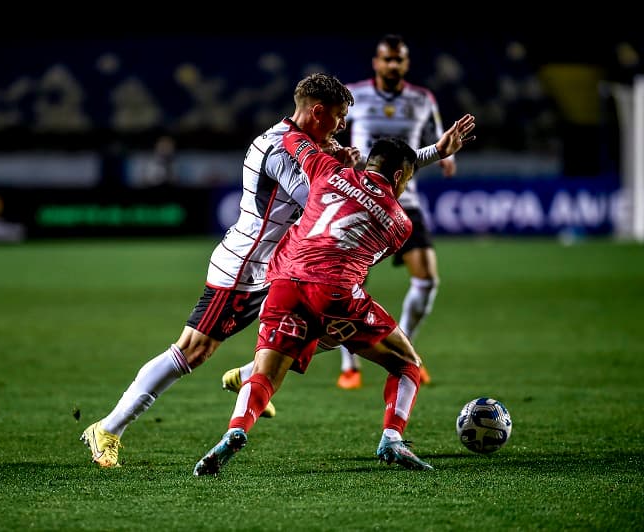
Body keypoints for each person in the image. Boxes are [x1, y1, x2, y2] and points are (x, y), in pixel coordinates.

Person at [79, 73, 359, 468]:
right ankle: (107, 428)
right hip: (245, 266)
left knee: (332, 325)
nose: (342, 126)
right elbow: (318, 200)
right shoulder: (279, 148)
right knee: (193, 350)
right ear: (317, 112)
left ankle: (250, 375)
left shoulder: (308, 144)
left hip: (280, 266)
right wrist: (342, 168)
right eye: (339, 116)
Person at [193, 115, 476, 477]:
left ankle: (234, 430)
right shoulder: (400, 223)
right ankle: (392, 438)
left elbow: (292, 139)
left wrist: (325, 146)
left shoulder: (327, 169)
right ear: (399, 178)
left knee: (267, 373)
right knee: (407, 364)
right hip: (336, 293)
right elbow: (360, 258)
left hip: (282, 284)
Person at [336, 33, 459, 390]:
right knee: (347, 285)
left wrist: (447, 157)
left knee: (427, 280)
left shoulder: (422, 100)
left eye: (398, 59)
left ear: (406, 63)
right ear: (375, 62)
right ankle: (350, 365)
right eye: (386, 59)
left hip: (407, 202)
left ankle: (407, 349)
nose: (392, 65)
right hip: (361, 201)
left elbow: (439, 135)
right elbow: (331, 131)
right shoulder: (354, 95)